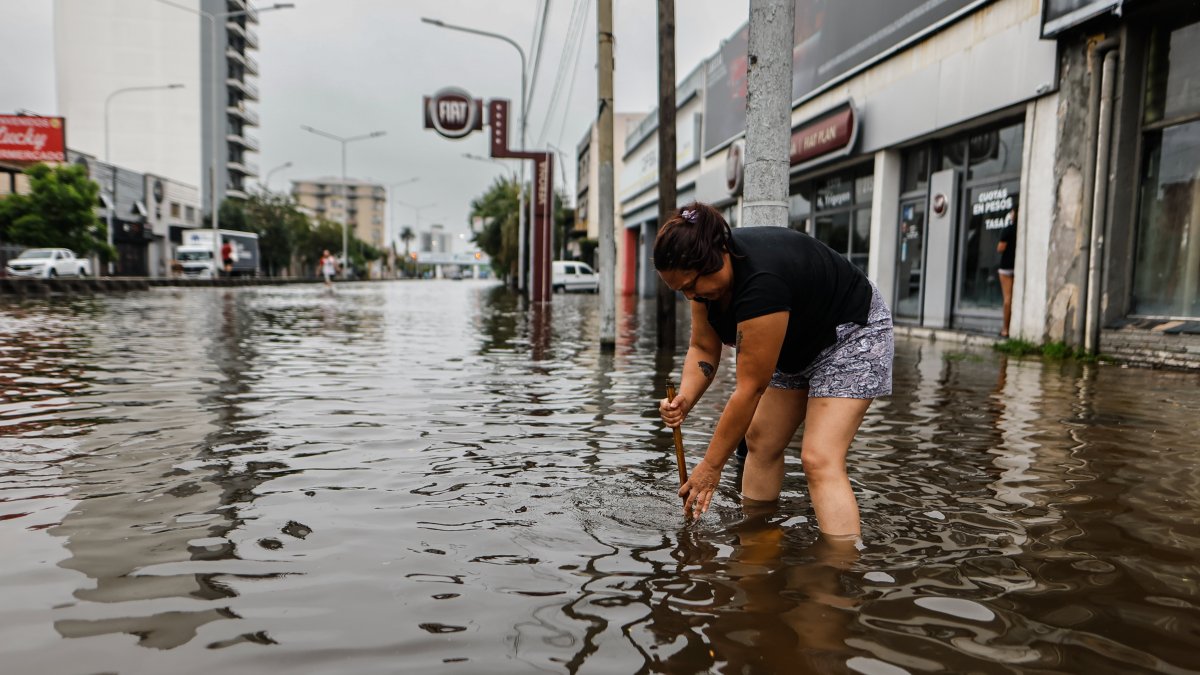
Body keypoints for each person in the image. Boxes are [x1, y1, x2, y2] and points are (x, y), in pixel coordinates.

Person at [656, 202, 893, 538]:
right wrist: (685, 398)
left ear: (717, 257)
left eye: (692, 285)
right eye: (682, 290)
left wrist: (711, 466)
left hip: (850, 333)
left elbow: (749, 389)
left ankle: (841, 572)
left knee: (818, 458)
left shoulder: (761, 282)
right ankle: (757, 540)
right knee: (761, 442)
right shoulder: (701, 284)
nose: (691, 295)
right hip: (791, 338)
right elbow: (703, 348)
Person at [996, 211, 1017, 338]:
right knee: (1014, 298)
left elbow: (1000, 248)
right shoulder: (1021, 229)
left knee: (1007, 299)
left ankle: (1005, 329)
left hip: (1006, 267)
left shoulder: (1009, 229)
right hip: (1016, 265)